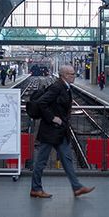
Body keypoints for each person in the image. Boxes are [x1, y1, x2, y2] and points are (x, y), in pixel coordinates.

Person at [30, 65, 94, 199]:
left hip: (59, 132)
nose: (74, 76)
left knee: (67, 159)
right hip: (50, 131)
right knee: (41, 161)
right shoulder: (57, 87)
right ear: (64, 75)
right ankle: (35, 189)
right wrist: (52, 118)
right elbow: (42, 103)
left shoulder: (64, 87)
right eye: (72, 74)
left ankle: (77, 187)